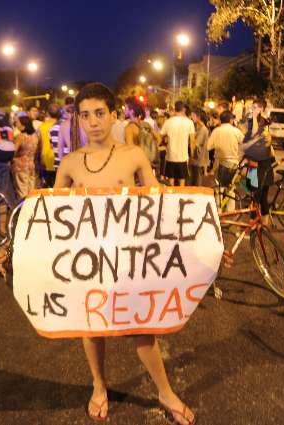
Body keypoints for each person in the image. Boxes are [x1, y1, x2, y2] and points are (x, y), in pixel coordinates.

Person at [52, 82, 196, 424]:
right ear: (78, 120)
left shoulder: (133, 154)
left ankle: (165, 391)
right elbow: (50, 218)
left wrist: (198, 238)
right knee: (91, 329)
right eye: (84, 115)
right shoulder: (70, 164)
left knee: (142, 331)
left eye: (99, 113)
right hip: (87, 263)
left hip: (130, 261)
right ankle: (99, 385)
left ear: (113, 114)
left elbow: (159, 201)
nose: (93, 122)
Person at [242, 98, 274, 225]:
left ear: (261, 109)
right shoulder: (257, 124)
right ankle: (260, 223)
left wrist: (255, 116)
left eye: (255, 107)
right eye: (252, 107)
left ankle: (256, 224)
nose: (252, 109)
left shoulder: (263, 124)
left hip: (261, 167)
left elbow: (254, 133)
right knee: (256, 197)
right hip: (257, 165)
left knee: (258, 197)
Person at [208, 111, 245, 212]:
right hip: (233, 163)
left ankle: (218, 210)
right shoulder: (236, 131)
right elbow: (245, 144)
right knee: (231, 187)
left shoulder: (216, 131)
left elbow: (208, 146)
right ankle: (230, 210)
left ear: (221, 120)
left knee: (219, 188)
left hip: (220, 162)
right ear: (231, 120)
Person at [160, 101, 195, 186]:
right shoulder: (189, 122)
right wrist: (192, 155)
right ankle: (180, 197)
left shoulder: (168, 122)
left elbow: (160, 136)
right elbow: (192, 141)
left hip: (170, 156)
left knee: (171, 180)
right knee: (182, 180)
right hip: (183, 157)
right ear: (183, 109)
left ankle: (171, 197)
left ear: (175, 109)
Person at [13, 116, 39, 198]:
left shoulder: (20, 137)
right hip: (31, 165)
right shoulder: (35, 136)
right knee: (31, 192)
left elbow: (13, 151)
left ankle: (24, 210)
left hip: (20, 167)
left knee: (22, 191)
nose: (16, 124)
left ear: (23, 125)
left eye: (17, 122)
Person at [38, 103, 62, 187]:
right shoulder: (63, 125)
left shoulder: (41, 127)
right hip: (60, 160)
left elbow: (39, 145)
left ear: (48, 113)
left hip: (46, 160)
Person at [189, 108, 210, 186]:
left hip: (199, 160)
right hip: (196, 160)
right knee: (193, 181)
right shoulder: (197, 128)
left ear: (199, 117)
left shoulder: (203, 129)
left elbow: (196, 144)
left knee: (197, 183)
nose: (192, 118)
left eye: (193, 116)